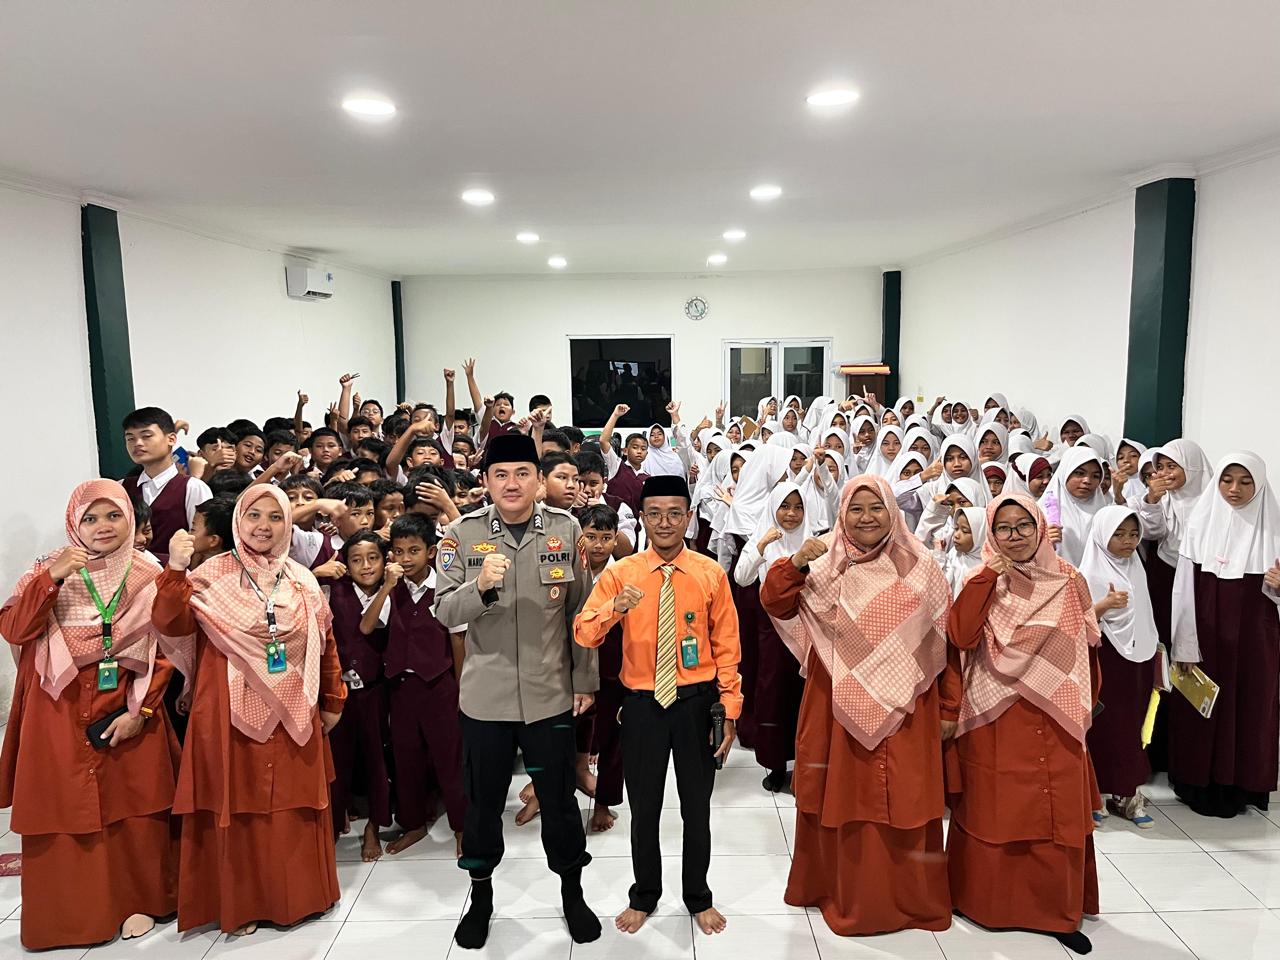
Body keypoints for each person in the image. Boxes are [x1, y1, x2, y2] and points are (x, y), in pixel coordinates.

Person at [758, 475, 953, 936]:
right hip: (835, 700)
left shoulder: (921, 564)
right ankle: (837, 891)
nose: (866, 518)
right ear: (841, 514)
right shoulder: (824, 561)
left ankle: (908, 899)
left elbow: (944, 639)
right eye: (856, 510)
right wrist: (796, 563)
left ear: (892, 511)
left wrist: (948, 705)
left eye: (876, 508)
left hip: (908, 705)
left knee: (904, 795)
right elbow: (775, 602)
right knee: (840, 794)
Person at [153, 485, 346, 937]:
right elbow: (169, 622)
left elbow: (325, 640)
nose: (264, 526)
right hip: (226, 712)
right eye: (254, 515)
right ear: (238, 520)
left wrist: (334, 697)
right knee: (236, 804)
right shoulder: (208, 575)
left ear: (289, 524)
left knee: (292, 806)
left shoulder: (301, 578)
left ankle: (298, 897)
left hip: (295, 708)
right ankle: (242, 904)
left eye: (276, 517)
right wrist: (176, 570)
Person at [433, 433, 601, 950]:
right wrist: (479, 586)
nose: (512, 484)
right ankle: (481, 898)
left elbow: (581, 612)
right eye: (500, 474)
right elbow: (444, 609)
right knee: (483, 804)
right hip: (487, 699)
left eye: (522, 473)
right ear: (485, 481)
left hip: (550, 695)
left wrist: (584, 679)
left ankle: (572, 893)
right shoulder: (461, 535)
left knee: (560, 801)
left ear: (539, 480)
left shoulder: (566, 528)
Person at [0, 480, 180, 949]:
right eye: (90, 518)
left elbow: (165, 648)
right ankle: (75, 916)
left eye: (113, 515)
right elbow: (16, 630)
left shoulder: (148, 572)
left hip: (126, 698)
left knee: (136, 806)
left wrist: (141, 709)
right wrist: (53, 578)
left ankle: (140, 902)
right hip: (57, 704)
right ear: (73, 524)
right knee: (64, 808)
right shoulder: (44, 569)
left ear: (131, 520)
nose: (103, 526)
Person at [575, 475, 742, 937]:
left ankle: (698, 896)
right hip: (643, 706)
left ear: (688, 518)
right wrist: (615, 609)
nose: (664, 523)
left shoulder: (710, 573)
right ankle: (644, 895)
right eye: (654, 514)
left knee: (697, 809)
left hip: (696, 704)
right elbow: (584, 632)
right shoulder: (622, 573)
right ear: (642, 519)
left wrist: (730, 709)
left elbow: (727, 646)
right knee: (644, 807)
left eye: (673, 514)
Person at [943, 492, 1101, 955]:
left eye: (1024, 526)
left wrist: (1082, 700)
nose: (1015, 536)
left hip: (1056, 712)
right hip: (995, 709)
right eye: (1004, 528)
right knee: (996, 807)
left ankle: (1055, 912)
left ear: (1040, 528)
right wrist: (988, 577)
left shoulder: (1068, 579)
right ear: (992, 533)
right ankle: (982, 903)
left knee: (1054, 811)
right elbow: (960, 635)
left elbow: (1088, 645)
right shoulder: (980, 578)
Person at [1168, 451, 1280, 818]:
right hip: (1206, 637)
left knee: (1250, 708)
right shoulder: (1200, 524)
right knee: (1203, 709)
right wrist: (1184, 644)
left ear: (1259, 486)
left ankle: (1243, 785)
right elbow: (1183, 590)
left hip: (1254, 642)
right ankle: (1197, 782)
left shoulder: (1274, 529)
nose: (1235, 489)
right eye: (1227, 480)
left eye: (1246, 482)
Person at [365, 512, 467, 855]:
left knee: (450, 758)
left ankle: (462, 826)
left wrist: (461, 688)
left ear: (431, 551)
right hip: (400, 688)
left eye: (413, 551)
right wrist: (386, 587)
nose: (405, 559)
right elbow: (367, 627)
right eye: (398, 551)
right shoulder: (390, 588)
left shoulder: (446, 588)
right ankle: (413, 824)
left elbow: (457, 641)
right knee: (406, 758)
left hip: (440, 686)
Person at [1080, 506, 1159, 827]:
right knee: (1103, 727)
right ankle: (1093, 796)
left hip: (1138, 660)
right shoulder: (1088, 574)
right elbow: (1076, 622)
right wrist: (1103, 606)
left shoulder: (1137, 567)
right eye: (1119, 534)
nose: (1128, 541)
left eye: (1134, 534)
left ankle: (1127, 794)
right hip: (1105, 658)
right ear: (1102, 536)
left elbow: (1145, 615)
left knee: (1132, 727)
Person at [323, 531, 394, 861]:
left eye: (373, 558)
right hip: (337, 691)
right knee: (337, 760)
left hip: (375, 690)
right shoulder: (333, 588)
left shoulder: (393, 591)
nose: (366, 566)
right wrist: (318, 571)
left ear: (385, 560)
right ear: (345, 564)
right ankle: (333, 823)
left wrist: (388, 586)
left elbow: (369, 628)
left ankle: (374, 827)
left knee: (376, 759)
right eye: (356, 560)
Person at [733, 481, 808, 792]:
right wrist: (762, 545)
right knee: (774, 693)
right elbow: (742, 577)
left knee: (805, 698)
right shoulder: (761, 538)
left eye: (798, 507)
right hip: (773, 632)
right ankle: (776, 765)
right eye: (785, 507)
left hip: (807, 633)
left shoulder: (812, 540)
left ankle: (805, 766)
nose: (791, 514)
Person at [121, 407, 213, 563]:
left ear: (171, 439)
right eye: (130, 438)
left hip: (178, 572)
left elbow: (202, 544)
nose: (137, 443)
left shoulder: (193, 488)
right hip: (129, 573)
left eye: (146, 436)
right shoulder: (121, 487)